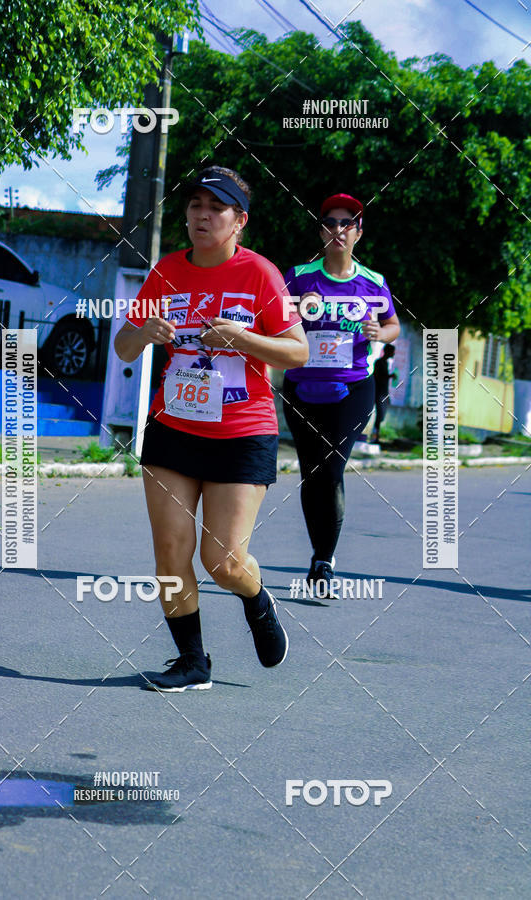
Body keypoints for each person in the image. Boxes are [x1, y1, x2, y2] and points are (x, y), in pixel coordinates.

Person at [114, 166, 308, 692]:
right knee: (171, 551)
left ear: (239, 220)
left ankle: (255, 597)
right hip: (174, 426)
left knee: (222, 560)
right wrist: (144, 333)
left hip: (242, 431)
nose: (202, 215)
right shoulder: (167, 271)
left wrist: (245, 340)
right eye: (195, 205)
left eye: (216, 208)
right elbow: (124, 347)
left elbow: (298, 351)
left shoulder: (260, 274)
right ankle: (192, 662)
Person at [282, 193, 400, 590]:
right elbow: (274, 322)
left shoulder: (374, 282)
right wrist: (296, 312)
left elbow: (393, 325)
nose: (338, 229)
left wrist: (379, 332)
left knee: (331, 469)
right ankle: (320, 553)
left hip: (352, 390)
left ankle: (323, 562)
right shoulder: (298, 277)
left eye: (346, 223)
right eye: (330, 222)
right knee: (311, 473)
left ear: (358, 233)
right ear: (321, 231)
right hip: (302, 388)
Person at [371, 344, 397, 443]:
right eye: (392, 351)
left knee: (381, 416)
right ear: (387, 351)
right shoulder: (379, 362)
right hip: (378, 393)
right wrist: (389, 376)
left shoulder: (385, 363)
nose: (393, 354)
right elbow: (377, 377)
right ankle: (374, 437)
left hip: (383, 393)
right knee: (378, 415)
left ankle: (376, 436)